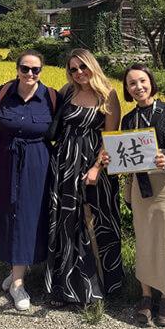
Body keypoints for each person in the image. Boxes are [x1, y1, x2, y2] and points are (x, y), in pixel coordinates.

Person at [44, 48, 123, 305]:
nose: (79, 73)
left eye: (83, 67)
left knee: (95, 222)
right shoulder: (68, 91)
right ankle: (64, 285)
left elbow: (110, 137)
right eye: (73, 69)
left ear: (92, 66)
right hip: (65, 165)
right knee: (65, 222)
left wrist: (97, 168)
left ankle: (97, 286)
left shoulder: (108, 94)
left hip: (92, 166)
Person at [0, 50, 56, 311]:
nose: (30, 74)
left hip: (37, 161)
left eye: (35, 69)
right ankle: (15, 270)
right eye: (25, 68)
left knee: (28, 215)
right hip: (4, 158)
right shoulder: (2, 93)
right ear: (17, 69)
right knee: (6, 212)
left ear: (41, 71)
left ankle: (18, 282)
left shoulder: (51, 97)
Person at [119, 64, 165, 327]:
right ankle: (146, 296)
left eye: (142, 81)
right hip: (141, 184)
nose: (138, 87)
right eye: (132, 83)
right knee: (144, 240)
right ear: (127, 89)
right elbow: (124, 154)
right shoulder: (128, 119)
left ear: (151, 82)